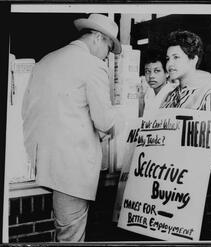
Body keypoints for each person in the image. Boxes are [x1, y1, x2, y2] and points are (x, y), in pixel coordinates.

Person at [22, 13, 123, 242]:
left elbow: (27, 111)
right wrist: (121, 118)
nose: (107, 56)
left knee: (63, 231)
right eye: (109, 47)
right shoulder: (93, 65)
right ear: (97, 38)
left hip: (43, 163)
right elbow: (105, 121)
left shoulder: (46, 60)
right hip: (72, 168)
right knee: (71, 237)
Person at [160, 30, 211, 114]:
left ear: (193, 60)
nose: (169, 64)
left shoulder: (208, 96)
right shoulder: (169, 97)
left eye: (176, 57)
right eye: (168, 59)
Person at [139, 47, 178, 117]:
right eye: (147, 71)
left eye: (156, 71)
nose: (151, 76)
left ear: (167, 73)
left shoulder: (172, 95)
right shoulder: (148, 93)